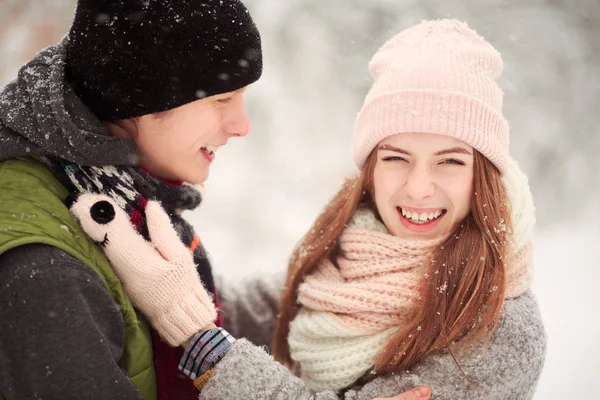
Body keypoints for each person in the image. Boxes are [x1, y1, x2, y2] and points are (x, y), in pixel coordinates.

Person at [69, 19, 546, 400]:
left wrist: (200, 340)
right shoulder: (357, 251)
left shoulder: (501, 328)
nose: (418, 188)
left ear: (484, 175)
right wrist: (162, 265)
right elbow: (263, 306)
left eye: (450, 162)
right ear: (370, 169)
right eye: (396, 158)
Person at [0, 0, 262, 399]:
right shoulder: (47, 273)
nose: (241, 126)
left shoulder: (117, 195)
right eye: (221, 100)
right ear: (139, 96)